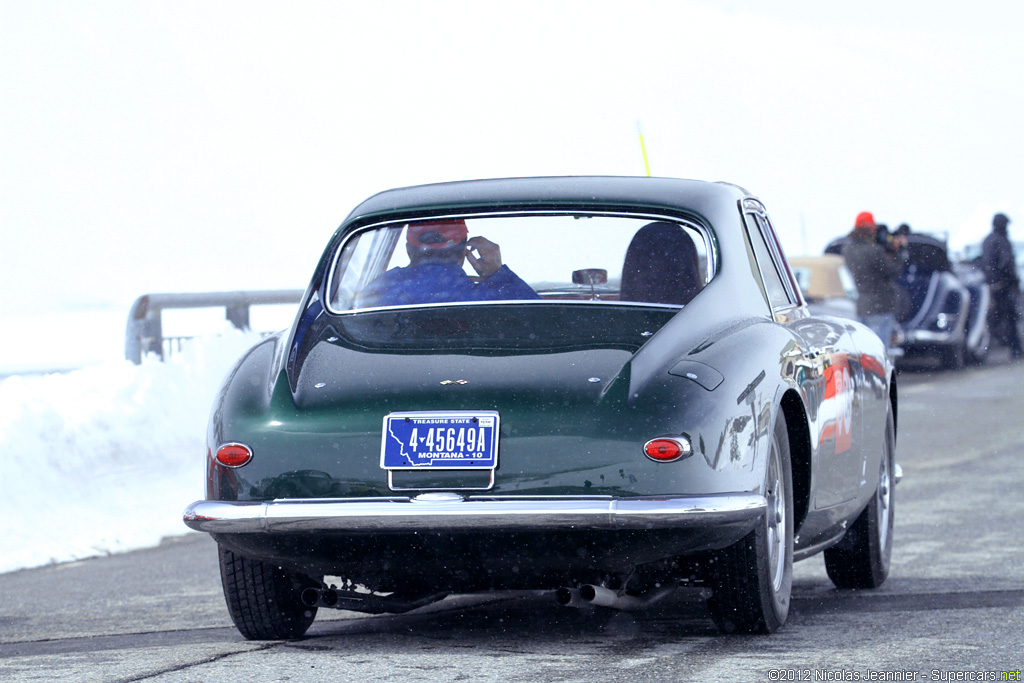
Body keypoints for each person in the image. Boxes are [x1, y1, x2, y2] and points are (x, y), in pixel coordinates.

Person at [356, 219, 540, 308]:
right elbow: (545, 322)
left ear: (408, 250)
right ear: (464, 251)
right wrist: (498, 275)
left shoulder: (377, 292)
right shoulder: (494, 297)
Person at [841, 211, 907, 350]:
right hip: (881, 305)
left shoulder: (847, 249)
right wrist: (898, 252)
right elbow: (892, 270)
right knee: (879, 350)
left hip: (862, 305)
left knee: (865, 350)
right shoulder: (873, 250)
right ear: (871, 228)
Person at [981, 212, 1022, 358]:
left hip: (993, 286)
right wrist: (1012, 280)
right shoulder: (1001, 241)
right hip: (1003, 286)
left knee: (995, 318)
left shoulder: (988, 240)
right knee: (1010, 318)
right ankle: (1015, 348)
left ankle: (991, 348)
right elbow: (1006, 264)